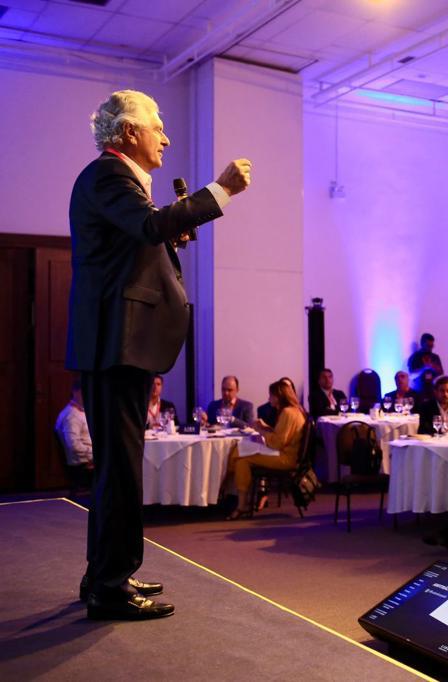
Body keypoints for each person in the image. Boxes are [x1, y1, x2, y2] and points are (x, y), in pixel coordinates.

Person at [67, 89, 249, 619]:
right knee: (120, 470)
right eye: (157, 127)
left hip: (120, 344)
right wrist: (221, 189)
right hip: (115, 344)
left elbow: (137, 241)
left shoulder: (117, 180)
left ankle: (105, 575)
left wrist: (172, 235)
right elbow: (148, 227)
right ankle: (110, 586)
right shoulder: (109, 175)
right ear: (129, 132)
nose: (166, 138)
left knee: (118, 469)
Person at [225, 380, 307, 520]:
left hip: (286, 458)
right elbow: (282, 436)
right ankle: (241, 503)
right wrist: (266, 427)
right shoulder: (295, 411)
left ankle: (234, 498)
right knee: (241, 460)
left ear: (278, 397)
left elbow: (277, 443)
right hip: (286, 453)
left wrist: (260, 431)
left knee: (241, 455)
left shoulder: (288, 413)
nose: (269, 398)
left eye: (271, 395)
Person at [56, 379, 94, 469]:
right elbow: (74, 446)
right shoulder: (72, 415)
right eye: (84, 392)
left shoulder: (81, 412)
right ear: (75, 392)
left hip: (90, 461)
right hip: (84, 465)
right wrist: (96, 453)